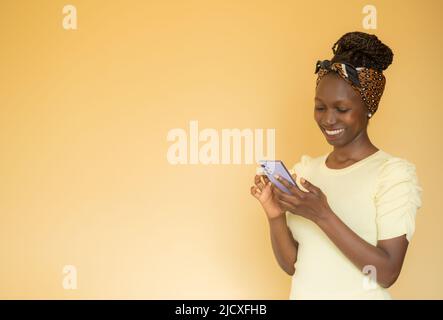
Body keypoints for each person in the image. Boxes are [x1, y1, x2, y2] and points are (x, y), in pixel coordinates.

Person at [250, 31, 423, 299]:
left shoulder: (393, 174)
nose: (328, 120)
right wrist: (274, 216)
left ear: (368, 108)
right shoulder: (306, 171)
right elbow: (293, 265)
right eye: (321, 108)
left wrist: (322, 214)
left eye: (341, 109)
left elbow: (387, 273)